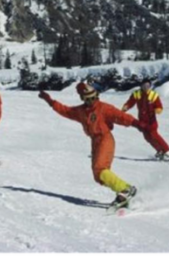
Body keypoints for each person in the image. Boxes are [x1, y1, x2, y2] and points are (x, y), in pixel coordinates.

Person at [38, 82, 146, 210]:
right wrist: (50, 101)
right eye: (87, 99)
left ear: (97, 95)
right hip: (95, 141)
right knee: (98, 176)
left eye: (94, 97)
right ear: (82, 99)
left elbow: (120, 116)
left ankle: (125, 189)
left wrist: (136, 123)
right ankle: (123, 193)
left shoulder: (103, 108)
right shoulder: (81, 111)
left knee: (100, 168)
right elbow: (65, 110)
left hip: (105, 138)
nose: (91, 101)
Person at [121, 78, 169, 161]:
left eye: (148, 86)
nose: (146, 87)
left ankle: (167, 150)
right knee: (147, 137)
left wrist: (158, 109)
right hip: (142, 121)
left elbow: (159, 105)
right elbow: (130, 102)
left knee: (154, 135)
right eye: (144, 85)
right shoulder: (136, 94)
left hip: (151, 120)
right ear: (141, 86)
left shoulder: (153, 95)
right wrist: (125, 107)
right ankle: (159, 151)